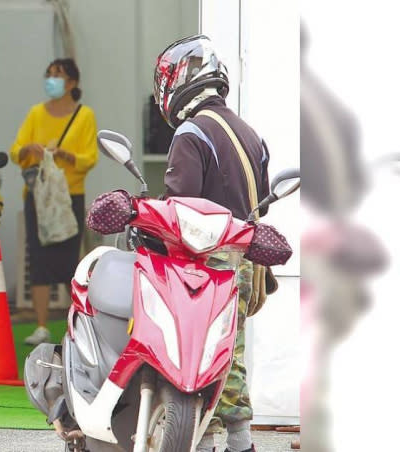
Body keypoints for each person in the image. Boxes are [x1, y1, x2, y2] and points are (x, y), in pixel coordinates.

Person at [155, 35, 269, 452]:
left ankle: (220, 444)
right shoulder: (248, 131)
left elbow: (177, 209)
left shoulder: (191, 133)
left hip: (207, 264)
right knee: (229, 352)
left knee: (199, 355)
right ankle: (236, 442)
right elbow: (261, 201)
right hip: (247, 259)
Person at [10, 58, 98, 346]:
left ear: (72, 82)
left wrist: (66, 155)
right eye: (48, 75)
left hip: (69, 195)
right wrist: (28, 148)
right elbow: (16, 150)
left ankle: (76, 320)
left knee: (70, 258)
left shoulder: (85, 115)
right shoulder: (36, 113)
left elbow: (90, 158)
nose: (51, 80)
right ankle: (41, 324)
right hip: (38, 196)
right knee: (38, 258)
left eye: (57, 75)